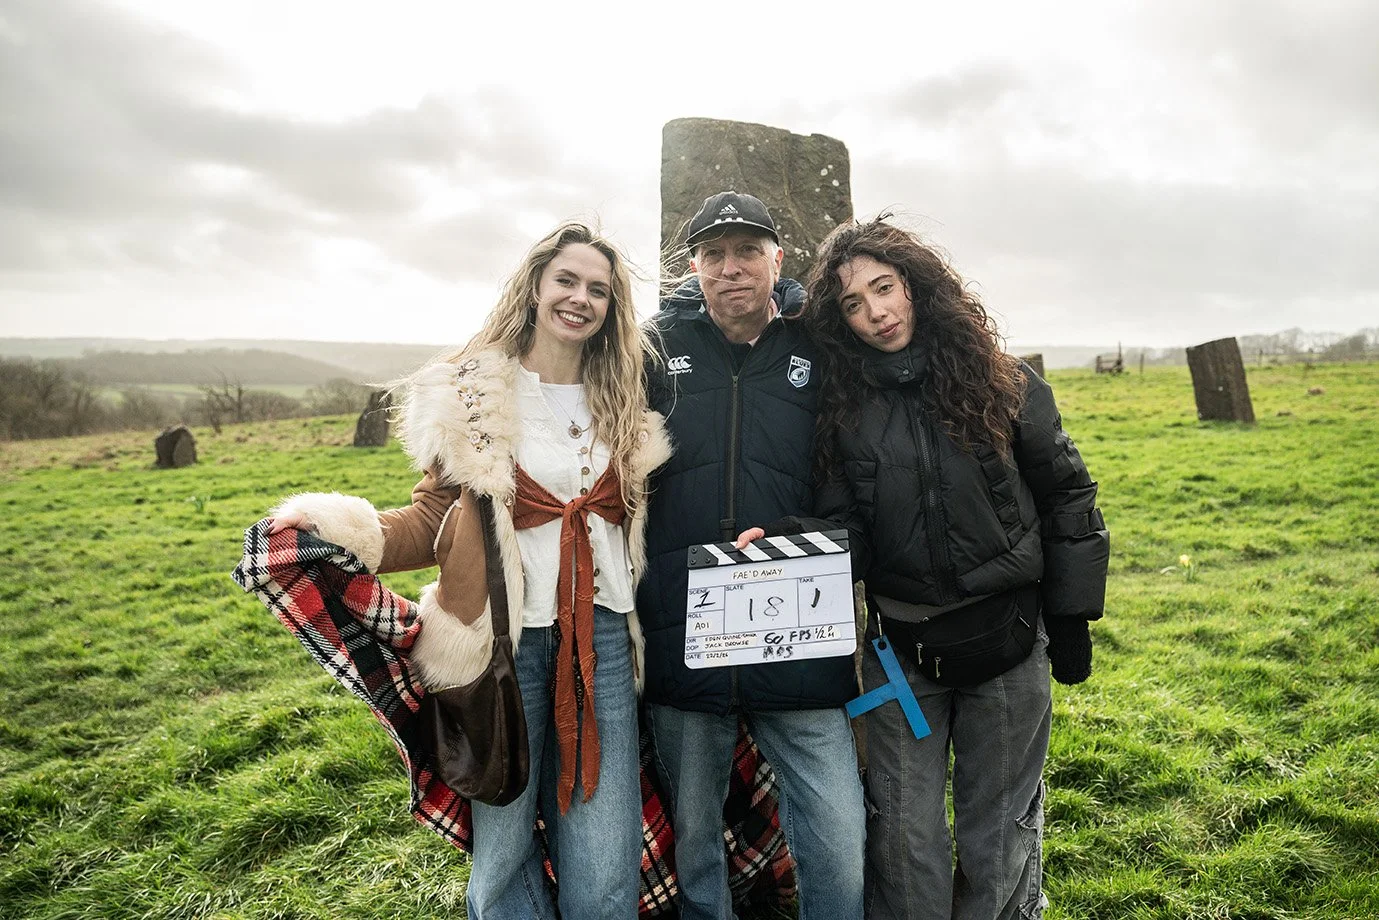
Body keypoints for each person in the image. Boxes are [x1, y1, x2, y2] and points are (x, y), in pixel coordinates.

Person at [264, 222, 672, 920]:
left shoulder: (626, 400)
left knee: (606, 860)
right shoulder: (474, 399)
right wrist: (332, 527)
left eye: (598, 289)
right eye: (566, 281)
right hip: (497, 651)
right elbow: (428, 523)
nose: (580, 298)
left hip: (602, 646)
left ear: (613, 307)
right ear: (535, 287)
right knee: (505, 856)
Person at [782, 216, 1110, 920]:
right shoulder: (840, 412)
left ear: (915, 286)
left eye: (884, 287)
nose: (876, 312)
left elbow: (1066, 494)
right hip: (902, 657)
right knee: (903, 834)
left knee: (997, 831)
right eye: (851, 303)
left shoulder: (1003, 383)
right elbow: (848, 532)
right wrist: (792, 552)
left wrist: (1072, 614)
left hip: (1010, 641)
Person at [638, 191, 866, 920]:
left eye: (746, 252)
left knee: (836, 826)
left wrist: (809, 539)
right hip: (682, 629)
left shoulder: (819, 352)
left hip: (799, 628)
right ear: (693, 266)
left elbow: (859, 481)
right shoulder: (646, 353)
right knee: (694, 831)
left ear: (777, 259)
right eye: (712, 254)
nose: (729, 269)